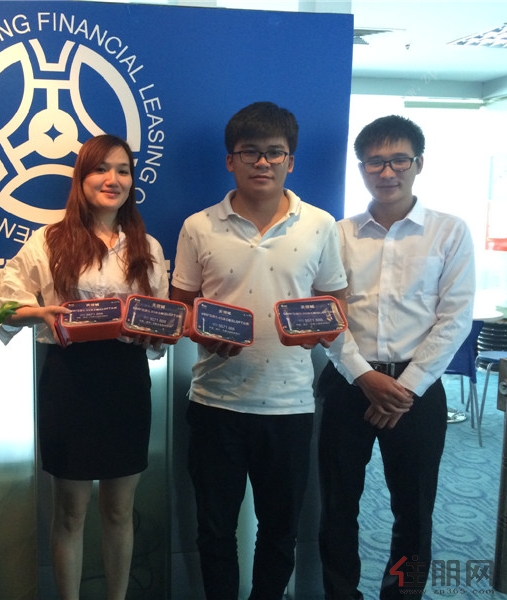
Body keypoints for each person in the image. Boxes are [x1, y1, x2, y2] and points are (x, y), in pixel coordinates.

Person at [170, 101, 348, 600]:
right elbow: (181, 307)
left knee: (280, 531)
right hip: (215, 403)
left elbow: (335, 301)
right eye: (250, 152)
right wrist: (202, 333)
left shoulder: (320, 224)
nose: (263, 162)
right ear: (231, 160)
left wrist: (318, 331)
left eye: (275, 152)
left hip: (290, 406)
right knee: (214, 530)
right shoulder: (198, 226)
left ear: (291, 160)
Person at [0, 134, 168, 600]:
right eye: (101, 169)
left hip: (127, 383)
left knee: (119, 511)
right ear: (81, 178)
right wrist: (41, 313)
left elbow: (160, 316)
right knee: (69, 512)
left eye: (123, 170)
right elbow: (2, 306)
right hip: (68, 381)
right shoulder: (48, 240)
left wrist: (159, 332)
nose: (113, 179)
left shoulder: (146, 246)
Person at [318, 115, 475, 599]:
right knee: (337, 504)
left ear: (418, 164)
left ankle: (402, 595)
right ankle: (341, 593)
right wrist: (365, 377)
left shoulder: (448, 232)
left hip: (417, 392)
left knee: (414, 510)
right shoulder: (339, 234)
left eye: (399, 161)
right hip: (349, 384)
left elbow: (455, 317)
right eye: (375, 162)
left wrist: (404, 388)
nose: (387, 172)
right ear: (361, 168)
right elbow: (326, 315)